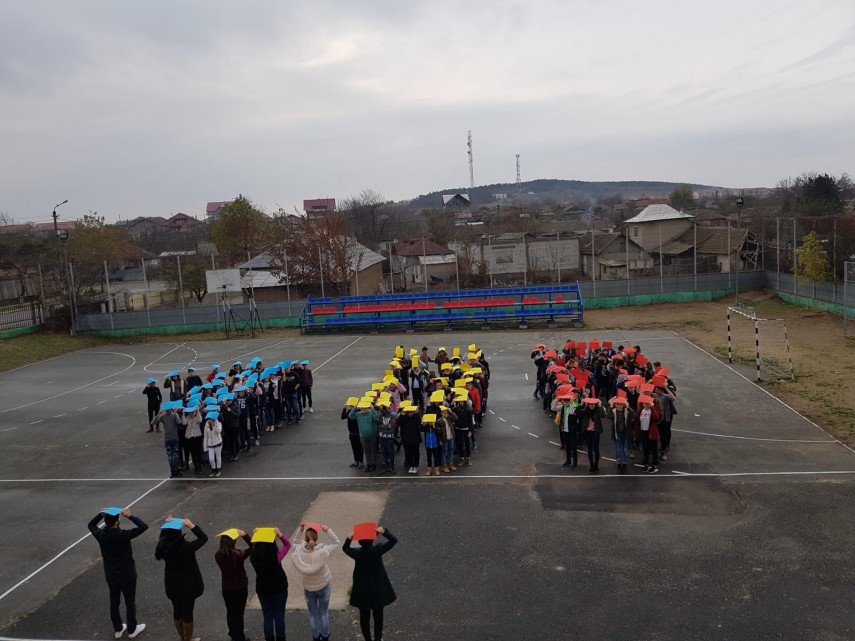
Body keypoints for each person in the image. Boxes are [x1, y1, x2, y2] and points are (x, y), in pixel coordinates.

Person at [88, 507, 148, 639]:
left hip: (111, 573)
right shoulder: (123, 535)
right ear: (117, 522)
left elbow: (91, 525)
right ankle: (132, 629)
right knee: (129, 601)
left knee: (114, 601)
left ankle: (118, 628)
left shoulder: (101, 535)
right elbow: (144, 526)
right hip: (127, 573)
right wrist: (130, 516)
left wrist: (100, 514)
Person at [154, 517, 208, 641]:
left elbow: (163, 537)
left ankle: (183, 637)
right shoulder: (187, 548)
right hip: (189, 585)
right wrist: (192, 525)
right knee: (188, 612)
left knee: (177, 611)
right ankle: (187, 638)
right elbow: (203, 538)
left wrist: (167, 525)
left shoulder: (163, 549)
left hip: (172, 585)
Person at [343, 525, 397, 641]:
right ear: (372, 540)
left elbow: (345, 548)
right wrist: (383, 532)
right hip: (378, 590)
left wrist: (349, 538)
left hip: (363, 592)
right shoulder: (377, 550)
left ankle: (367, 639)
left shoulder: (358, 554)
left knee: (364, 617)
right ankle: (378, 638)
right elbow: (393, 540)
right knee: (378, 617)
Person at [291, 523, 341, 641]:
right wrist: (327, 530)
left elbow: (295, 543)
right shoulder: (322, 551)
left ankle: (315, 636)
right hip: (323, 586)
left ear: (305, 538)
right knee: (323, 612)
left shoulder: (299, 550)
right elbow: (336, 542)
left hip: (308, 587)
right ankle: (325, 635)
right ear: (316, 537)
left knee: (313, 614)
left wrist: (300, 530)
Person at [250, 527, 291, 641]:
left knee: (267, 616)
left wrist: (255, 537)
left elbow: (252, 547)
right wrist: (280, 534)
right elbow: (287, 545)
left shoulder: (254, 557)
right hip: (279, 588)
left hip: (263, 589)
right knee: (279, 616)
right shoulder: (276, 556)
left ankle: (269, 638)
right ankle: (281, 638)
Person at [215, 528, 252, 641]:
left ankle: (233, 634)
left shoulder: (218, 555)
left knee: (230, 611)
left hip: (227, 587)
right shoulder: (239, 555)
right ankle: (239, 636)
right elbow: (252, 547)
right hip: (240, 586)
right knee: (239, 613)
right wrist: (245, 535)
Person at [151, 403, 184, 478]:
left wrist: (158, 414)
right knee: (175, 455)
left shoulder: (163, 416)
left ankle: (173, 471)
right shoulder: (174, 415)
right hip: (174, 437)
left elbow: (153, 422)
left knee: (170, 456)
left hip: (168, 438)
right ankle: (176, 470)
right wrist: (176, 414)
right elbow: (179, 422)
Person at [607, 396, 637, 474]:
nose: (619, 406)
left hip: (625, 433)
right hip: (617, 434)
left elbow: (635, 415)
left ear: (624, 405)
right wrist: (610, 406)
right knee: (618, 450)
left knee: (625, 450)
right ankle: (619, 464)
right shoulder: (613, 411)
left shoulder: (627, 411)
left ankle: (624, 464)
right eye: (617, 404)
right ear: (615, 404)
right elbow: (608, 416)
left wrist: (628, 407)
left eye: (621, 404)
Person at [577, 397, 606, 474]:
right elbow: (577, 411)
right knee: (590, 449)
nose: (592, 406)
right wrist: (581, 404)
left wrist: (600, 405)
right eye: (590, 404)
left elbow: (603, 415)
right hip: (588, 432)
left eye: (593, 404)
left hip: (595, 432)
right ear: (588, 404)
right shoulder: (585, 411)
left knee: (596, 449)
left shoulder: (598, 411)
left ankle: (596, 465)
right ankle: (591, 465)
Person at [349, 402, 379, 473]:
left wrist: (373, 410)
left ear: (368, 407)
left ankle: (373, 464)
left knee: (372, 450)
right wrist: (355, 408)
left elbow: (377, 418)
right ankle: (369, 464)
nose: (364, 409)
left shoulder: (371, 413)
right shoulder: (358, 414)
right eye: (363, 408)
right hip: (363, 435)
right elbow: (350, 416)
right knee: (366, 451)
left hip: (372, 434)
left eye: (366, 408)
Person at [397, 403, 422, 474]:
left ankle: (416, 465)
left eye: (411, 412)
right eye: (409, 412)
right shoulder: (403, 417)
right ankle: (411, 465)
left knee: (416, 452)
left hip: (415, 438)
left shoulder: (416, 417)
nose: (410, 414)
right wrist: (402, 414)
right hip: (406, 438)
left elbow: (419, 422)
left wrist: (416, 413)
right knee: (409, 453)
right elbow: (398, 423)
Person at [342, 398, 365, 469]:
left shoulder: (359, 412)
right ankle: (356, 461)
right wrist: (344, 409)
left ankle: (361, 462)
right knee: (354, 448)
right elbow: (343, 417)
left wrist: (355, 409)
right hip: (351, 433)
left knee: (360, 448)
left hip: (358, 433)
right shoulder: (349, 411)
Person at [203, 412, 223, 477]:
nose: (211, 421)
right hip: (210, 444)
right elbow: (205, 436)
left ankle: (218, 469)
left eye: (212, 419)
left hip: (218, 442)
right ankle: (213, 469)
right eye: (210, 419)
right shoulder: (206, 425)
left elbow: (218, 432)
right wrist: (205, 447)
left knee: (218, 457)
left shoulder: (218, 424)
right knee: (211, 459)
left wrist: (215, 425)